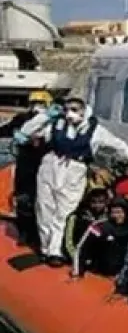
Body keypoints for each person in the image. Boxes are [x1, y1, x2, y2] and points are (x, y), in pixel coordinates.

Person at [16, 96, 128, 266]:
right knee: (44, 209)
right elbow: (27, 131)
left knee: (64, 212)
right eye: (67, 109)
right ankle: (45, 246)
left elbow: (119, 146)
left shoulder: (96, 131)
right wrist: (45, 116)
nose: (69, 114)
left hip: (75, 169)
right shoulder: (55, 124)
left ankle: (55, 250)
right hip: (51, 165)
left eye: (74, 109)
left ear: (83, 111)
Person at [6, 90, 54, 247]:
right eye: (34, 103)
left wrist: (41, 141)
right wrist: (17, 134)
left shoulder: (53, 122)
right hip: (25, 164)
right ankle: (24, 232)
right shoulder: (23, 118)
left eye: (40, 103)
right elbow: (8, 129)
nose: (36, 106)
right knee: (23, 199)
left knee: (42, 201)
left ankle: (39, 234)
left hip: (45, 166)